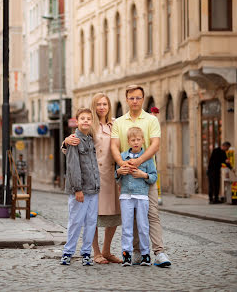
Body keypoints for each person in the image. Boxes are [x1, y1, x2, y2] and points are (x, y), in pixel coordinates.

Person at [111, 84, 171, 267]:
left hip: (145, 174)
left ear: (143, 99)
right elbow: (114, 146)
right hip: (127, 176)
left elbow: (155, 145)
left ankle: (159, 252)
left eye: (138, 97)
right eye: (131, 98)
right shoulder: (119, 122)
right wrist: (122, 164)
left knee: (151, 214)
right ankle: (136, 252)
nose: (135, 101)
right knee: (131, 218)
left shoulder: (151, 120)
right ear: (126, 99)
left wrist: (138, 162)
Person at [63, 93, 121, 264]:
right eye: (98, 104)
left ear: (109, 106)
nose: (102, 107)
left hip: (112, 176)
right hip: (93, 177)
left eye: (105, 104)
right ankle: (94, 252)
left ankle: (107, 250)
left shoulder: (115, 125)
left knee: (114, 215)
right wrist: (66, 142)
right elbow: (74, 144)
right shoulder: (89, 124)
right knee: (92, 217)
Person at [60, 108, 100, 266]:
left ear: (91, 122)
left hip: (94, 189)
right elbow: (73, 167)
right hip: (80, 191)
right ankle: (67, 253)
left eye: (88, 119)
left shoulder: (90, 139)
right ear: (77, 121)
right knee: (76, 221)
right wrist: (77, 189)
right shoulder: (74, 140)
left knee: (91, 222)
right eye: (82, 118)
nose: (85, 121)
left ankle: (86, 253)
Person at [116, 127, 157, 267]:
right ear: (128, 141)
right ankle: (126, 255)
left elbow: (153, 177)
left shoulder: (147, 158)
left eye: (138, 139)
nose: (136, 142)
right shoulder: (122, 157)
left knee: (143, 226)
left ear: (143, 140)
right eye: (133, 140)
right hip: (126, 196)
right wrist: (119, 171)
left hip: (142, 197)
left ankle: (146, 255)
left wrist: (143, 175)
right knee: (127, 226)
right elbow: (116, 176)